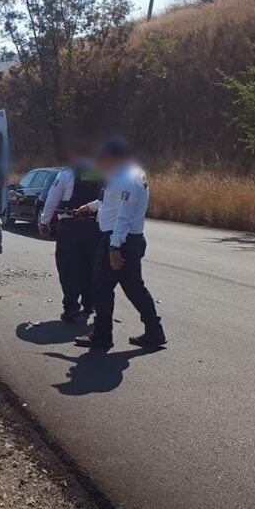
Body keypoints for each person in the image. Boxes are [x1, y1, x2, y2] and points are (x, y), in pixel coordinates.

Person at [73, 137, 166, 350]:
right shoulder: (124, 174)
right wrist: (88, 207)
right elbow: (110, 201)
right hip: (125, 239)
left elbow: (124, 216)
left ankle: (102, 336)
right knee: (134, 288)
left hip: (119, 240)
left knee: (100, 287)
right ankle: (154, 331)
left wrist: (114, 248)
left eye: (103, 157)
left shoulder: (127, 179)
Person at [38, 146, 103, 322]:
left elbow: (52, 199)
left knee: (68, 268)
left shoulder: (66, 174)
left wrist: (44, 222)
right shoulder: (100, 174)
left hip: (70, 226)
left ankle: (71, 307)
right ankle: (89, 303)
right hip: (94, 227)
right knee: (90, 267)